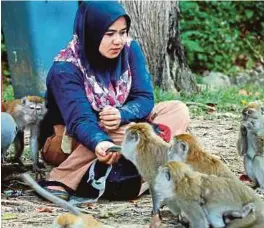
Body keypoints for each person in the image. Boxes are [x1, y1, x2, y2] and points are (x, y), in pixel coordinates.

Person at [39, 1, 190, 201]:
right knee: (131, 133)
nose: (118, 41)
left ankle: (147, 153)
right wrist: (99, 142)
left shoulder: (130, 50)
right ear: (91, 32)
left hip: (121, 124)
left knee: (177, 109)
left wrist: (122, 114)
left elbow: (144, 98)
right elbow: (80, 121)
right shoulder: (65, 69)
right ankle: (62, 178)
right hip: (70, 139)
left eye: (123, 32)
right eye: (109, 34)